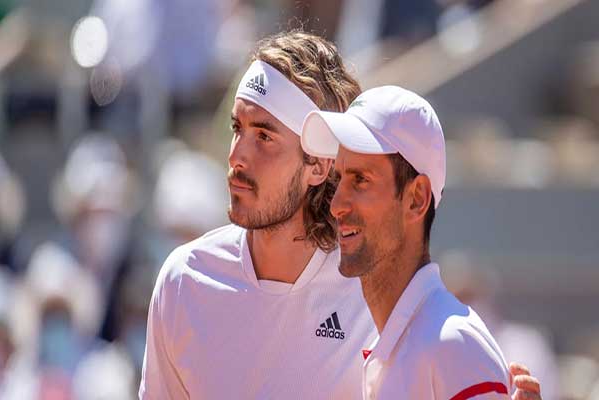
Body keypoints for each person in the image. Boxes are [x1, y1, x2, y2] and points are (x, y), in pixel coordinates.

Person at [140, 31, 541, 399]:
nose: (236, 156)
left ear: (318, 165)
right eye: (236, 128)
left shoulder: (386, 301)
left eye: (264, 136)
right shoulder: (183, 280)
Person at [300, 85, 541, 399]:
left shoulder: (451, 346)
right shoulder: (412, 344)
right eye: (339, 180)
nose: (336, 205)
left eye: (360, 180)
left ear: (417, 198)